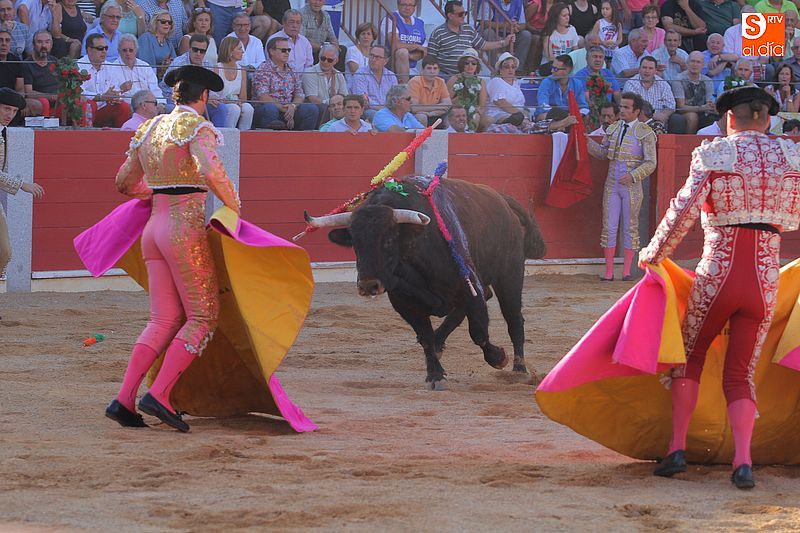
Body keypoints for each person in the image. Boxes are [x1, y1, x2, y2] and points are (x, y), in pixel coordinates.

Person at [639, 86, 800, 489]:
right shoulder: (790, 157)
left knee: (690, 358)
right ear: (767, 119)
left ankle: (677, 450)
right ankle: (742, 463)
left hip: (719, 273)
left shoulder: (716, 153)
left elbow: (683, 212)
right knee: (741, 372)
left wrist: (654, 254)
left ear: (730, 118)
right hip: (764, 280)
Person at [107, 65, 240, 432]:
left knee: (162, 320)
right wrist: (234, 206)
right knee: (202, 316)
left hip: (153, 230)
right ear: (204, 97)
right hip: (183, 231)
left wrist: (157, 192)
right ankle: (160, 395)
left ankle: (124, 400)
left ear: (175, 95)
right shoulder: (197, 126)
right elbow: (211, 172)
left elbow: (124, 182)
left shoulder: (149, 128)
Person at [587, 91, 656, 282]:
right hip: (612, 184)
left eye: (626, 107)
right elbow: (603, 154)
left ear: (637, 111)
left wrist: (633, 175)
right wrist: (586, 141)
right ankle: (609, 272)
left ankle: (626, 272)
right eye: (621, 106)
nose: (622, 110)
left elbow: (651, 162)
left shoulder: (645, 132)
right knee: (609, 227)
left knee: (630, 227)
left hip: (632, 187)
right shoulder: (613, 128)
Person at [0, 88, 43, 277]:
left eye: (14, 111)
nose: (10, 115)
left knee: (4, 251)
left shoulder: (3, 131)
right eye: (6, 109)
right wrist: (21, 184)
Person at [161, 34, 233, 128]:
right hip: (175, 100)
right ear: (189, 48)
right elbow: (170, 89)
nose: (198, 53)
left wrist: (211, 97)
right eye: (195, 50)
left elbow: (210, 88)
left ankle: (217, 135)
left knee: (221, 108)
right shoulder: (179, 63)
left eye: (202, 51)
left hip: (198, 99)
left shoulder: (207, 64)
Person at [427, 0, 513, 77]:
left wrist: (504, 42)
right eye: (460, 14)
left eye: (465, 13)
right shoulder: (438, 33)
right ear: (450, 15)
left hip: (467, 76)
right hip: (446, 76)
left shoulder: (468, 29)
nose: (463, 16)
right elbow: (430, 58)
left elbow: (483, 45)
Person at [252, 35, 319, 130]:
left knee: (311, 109)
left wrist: (293, 106)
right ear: (272, 51)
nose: (287, 53)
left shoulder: (292, 69)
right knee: (270, 109)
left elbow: (299, 94)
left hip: (289, 109)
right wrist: (282, 108)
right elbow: (263, 96)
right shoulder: (263, 69)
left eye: (288, 50)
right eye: (283, 50)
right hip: (269, 109)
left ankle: (302, 138)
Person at [79, 34, 133, 127]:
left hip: (104, 108)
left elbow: (114, 89)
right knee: (89, 104)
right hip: (87, 108)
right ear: (89, 50)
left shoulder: (110, 67)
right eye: (100, 48)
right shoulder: (79, 66)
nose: (104, 51)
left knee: (124, 107)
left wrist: (115, 96)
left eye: (106, 48)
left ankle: (121, 135)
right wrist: (101, 97)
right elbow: (80, 93)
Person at [623, 55, 680, 132]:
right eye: (644, 67)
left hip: (659, 121)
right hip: (637, 120)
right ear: (639, 69)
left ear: (655, 70)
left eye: (650, 68)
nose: (647, 71)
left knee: (676, 119)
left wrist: (663, 115)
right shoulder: (631, 83)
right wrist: (652, 116)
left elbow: (671, 106)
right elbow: (631, 107)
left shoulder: (663, 84)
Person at [474, 0, 531, 75]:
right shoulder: (488, 1)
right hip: (495, 33)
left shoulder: (518, 2)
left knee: (526, 35)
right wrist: (505, 25)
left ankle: (517, 69)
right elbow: (485, 23)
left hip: (509, 33)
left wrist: (516, 27)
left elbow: (523, 24)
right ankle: (496, 68)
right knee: (488, 32)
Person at [110, 34, 163, 106]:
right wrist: (121, 89)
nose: (128, 53)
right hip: (126, 106)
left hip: (149, 106)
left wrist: (160, 104)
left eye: (131, 50)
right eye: (124, 50)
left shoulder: (145, 66)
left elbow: (155, 90)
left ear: (136, 51)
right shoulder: (112, 68)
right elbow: (111, 96)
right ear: (119, 51)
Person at [301, 41, 347, 123]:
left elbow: (345, 96)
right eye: (323, 58)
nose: (325, 62)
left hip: (335, 108)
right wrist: (333, 104)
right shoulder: (309, 73)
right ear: (319, 57)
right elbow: (312, 99)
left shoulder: (339, 75)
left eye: (329, 60)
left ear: (336, 61)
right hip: (319, 109)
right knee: (325, 108)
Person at [383, 0, 427, 83]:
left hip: (413, 67)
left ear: (414, 7)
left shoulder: (419, 22)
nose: (407, 8)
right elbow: (396, 45)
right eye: (404, 4)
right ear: (398, 5)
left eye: (410, 5)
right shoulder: (391, 18)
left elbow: (424, 50)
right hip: (392, 64)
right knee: (402, 52)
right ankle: (404, 87)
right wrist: (417, 46)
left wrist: (409, 56)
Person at [672, 50, 715, 133]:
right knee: (692, 116)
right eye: (692, 61)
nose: (695, 64)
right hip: (684, 112)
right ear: (687, 63)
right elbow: (680, 107)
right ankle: (690, 140)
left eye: (698, 62)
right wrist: (700, 108)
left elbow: (709, 103)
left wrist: (710, 107)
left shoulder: (708, 81)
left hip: (703, 111)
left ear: (703, 65)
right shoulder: (678, 79)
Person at [446, 47, 488, 132]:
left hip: (473, 112)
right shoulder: (454, 79)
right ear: (462, 64)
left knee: (476, 117)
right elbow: (447, 102)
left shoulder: (481, 82)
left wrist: (476, 109)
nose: (470, 66)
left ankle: (470, 136)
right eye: (467, 63)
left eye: (474, 63)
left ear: (477, 65)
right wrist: (461, 97)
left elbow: (482, 106)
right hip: (456, 111)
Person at [351, 44, 398, 120]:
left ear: (385, 61)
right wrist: (383, 109)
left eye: (377, 57)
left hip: (389, 110)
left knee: (408, 116)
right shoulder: (360, 74)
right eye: (371, 56)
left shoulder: (391, 76)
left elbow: (395, 99)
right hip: (369, 111)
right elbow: (362, 100)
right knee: (378, 116)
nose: (373, 59)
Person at [536, 53, 588, 119]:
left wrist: (580, 114)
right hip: (551, 115)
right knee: (543, 116)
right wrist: (562, 116)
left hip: (571, 116)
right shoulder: (546, 82)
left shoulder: (577, 84)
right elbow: (543, 105)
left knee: (586, 116)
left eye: (555, 69)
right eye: (552, 68)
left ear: (567, 70)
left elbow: (583, 106)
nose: (552, 71)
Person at [407, 55, 451, 127]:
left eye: (435, 68)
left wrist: (430, 113)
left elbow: (448, 105)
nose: (432, 71)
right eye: (429, 68)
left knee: (451, 116)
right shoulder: (415, 81)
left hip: (434, 114)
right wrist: (438, 107)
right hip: (417, 115)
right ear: (422, 70)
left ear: (438, 71)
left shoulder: (441, 82)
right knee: (422, 117)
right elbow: (414, 108)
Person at [23, 30, 58, 116]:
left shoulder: (55, 61)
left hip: (58, 102)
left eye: (47, 42)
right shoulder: (27, 64)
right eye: (39, 42)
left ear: (51, 45)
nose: (43, 46)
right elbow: (28, 92)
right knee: (44, 102)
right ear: (33, 45)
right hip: (41, 101)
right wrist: (50, 96)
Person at [541, 2, 579, 72]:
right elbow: (550, 58)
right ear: (556, 17)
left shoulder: (572, 29)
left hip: (567, 67)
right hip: (551, 67)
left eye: (568, 15)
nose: (567, 18)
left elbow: (576, 51)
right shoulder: (548, 33)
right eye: (564, 16)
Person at [137, 9, 176, 77]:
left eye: (169, 22)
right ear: (155, 23)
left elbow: (175, 63)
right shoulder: (146, 38)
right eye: (163, 21)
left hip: (165, 77)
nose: (167, 24)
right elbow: (147, 67)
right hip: (148, 78)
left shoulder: (168, 42)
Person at [591, 0, 622, 68]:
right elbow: (593, 36)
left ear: (613, 10)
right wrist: (602, 43)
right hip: (602, 51)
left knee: (612, 69)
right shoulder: (599, 23)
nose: (604, 11)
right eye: (603, 8)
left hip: (614, 52)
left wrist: (616, 44)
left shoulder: (618, 24)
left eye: (607, 9)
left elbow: (620, 38)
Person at [346, 21, 375, 92]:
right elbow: (356, 72)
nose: (366, 37)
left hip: (372, 88)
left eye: (368, 34)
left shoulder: (375, 52)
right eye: (363, 34)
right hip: (354, 89)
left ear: (373, 37)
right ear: (358, 36)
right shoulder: (352, 50)